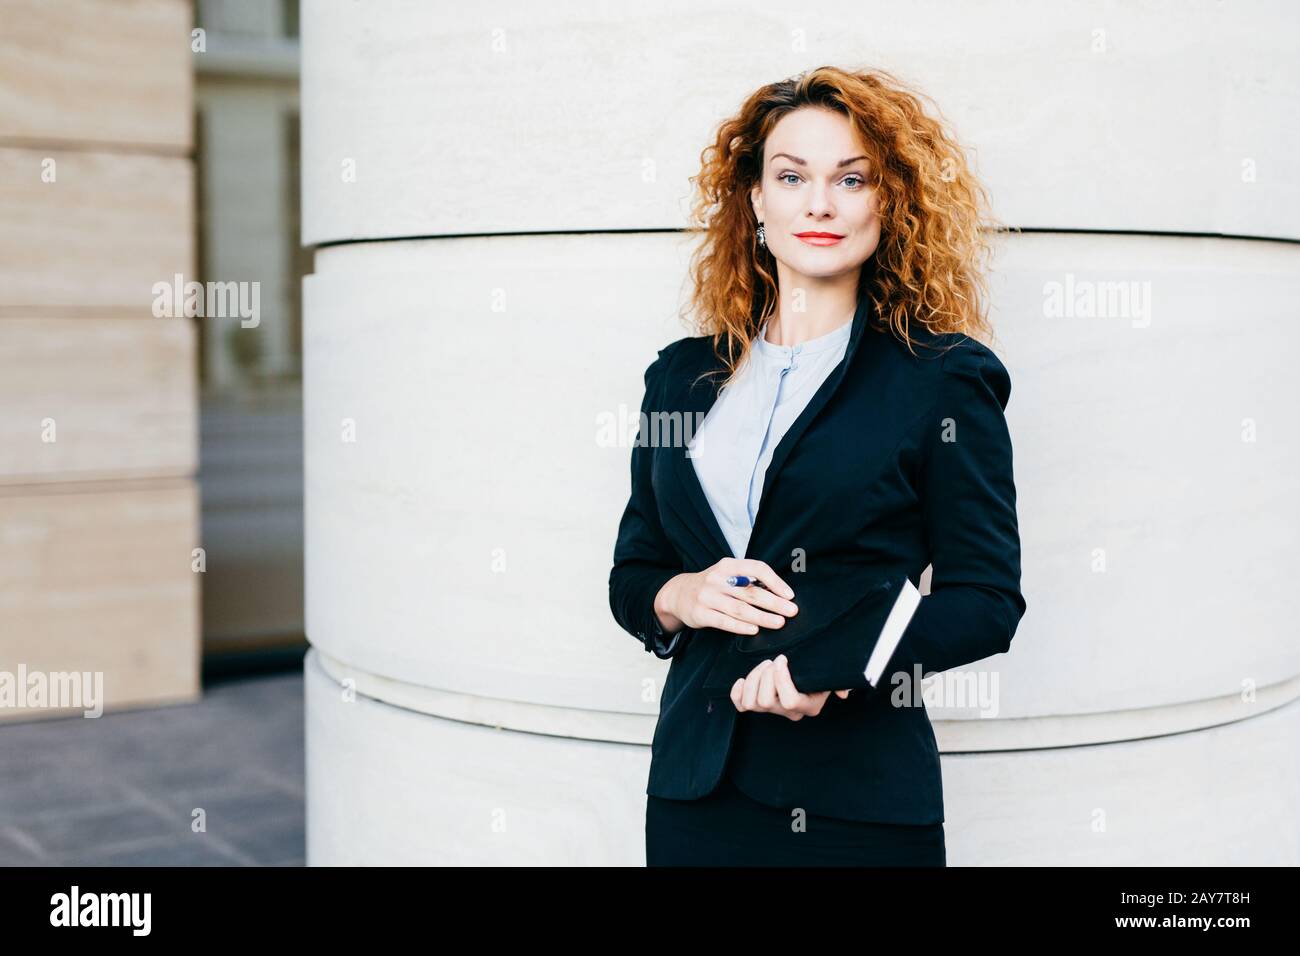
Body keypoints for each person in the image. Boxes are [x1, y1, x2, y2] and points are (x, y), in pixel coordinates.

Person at [609, 65, 1026, 866]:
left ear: (887, 200)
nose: (820, 203)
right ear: (757, 200)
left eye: (852, 179)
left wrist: (828, 668)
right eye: (792, 176)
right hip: (695, 794)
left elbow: (986, 601)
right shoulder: (679, 377)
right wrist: (684, 594)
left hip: (856, 802)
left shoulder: (940, 378)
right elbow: (634, 574)